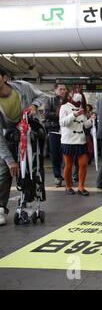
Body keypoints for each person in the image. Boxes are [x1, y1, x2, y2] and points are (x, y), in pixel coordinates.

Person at [0, 67, 47, 226]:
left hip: (30, 134)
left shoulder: (23, 87)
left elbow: (42, 96)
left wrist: (34, 105)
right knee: (5, 170)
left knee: (32, 169)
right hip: (9, 136)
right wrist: (9, 160)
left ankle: (29, 199)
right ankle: (0, 209)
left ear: (4, 78)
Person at [59, 86, 94, 196]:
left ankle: (81, 187)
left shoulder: (81, 108)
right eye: (76, 92)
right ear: (70, 95)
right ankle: (68, 186)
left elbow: (85, 125)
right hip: (68, 140)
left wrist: (91, 120)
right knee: (68, 165)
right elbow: (63, 123)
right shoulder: (64, 107)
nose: (78, 94)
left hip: (81, 140)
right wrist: (74, 114)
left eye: (80, 92)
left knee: (83, 164)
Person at [44, 83, 67, 187]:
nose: (63, 91)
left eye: (64, 89)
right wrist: (60, 115)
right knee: (55, 154)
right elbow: (47, 114)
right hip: (53, 130)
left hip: (66, 132)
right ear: (55, 90)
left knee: (66, 154)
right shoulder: (50, 101)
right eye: (61, 89)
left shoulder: (68, 101)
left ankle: (67, 174)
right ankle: (57, 176)